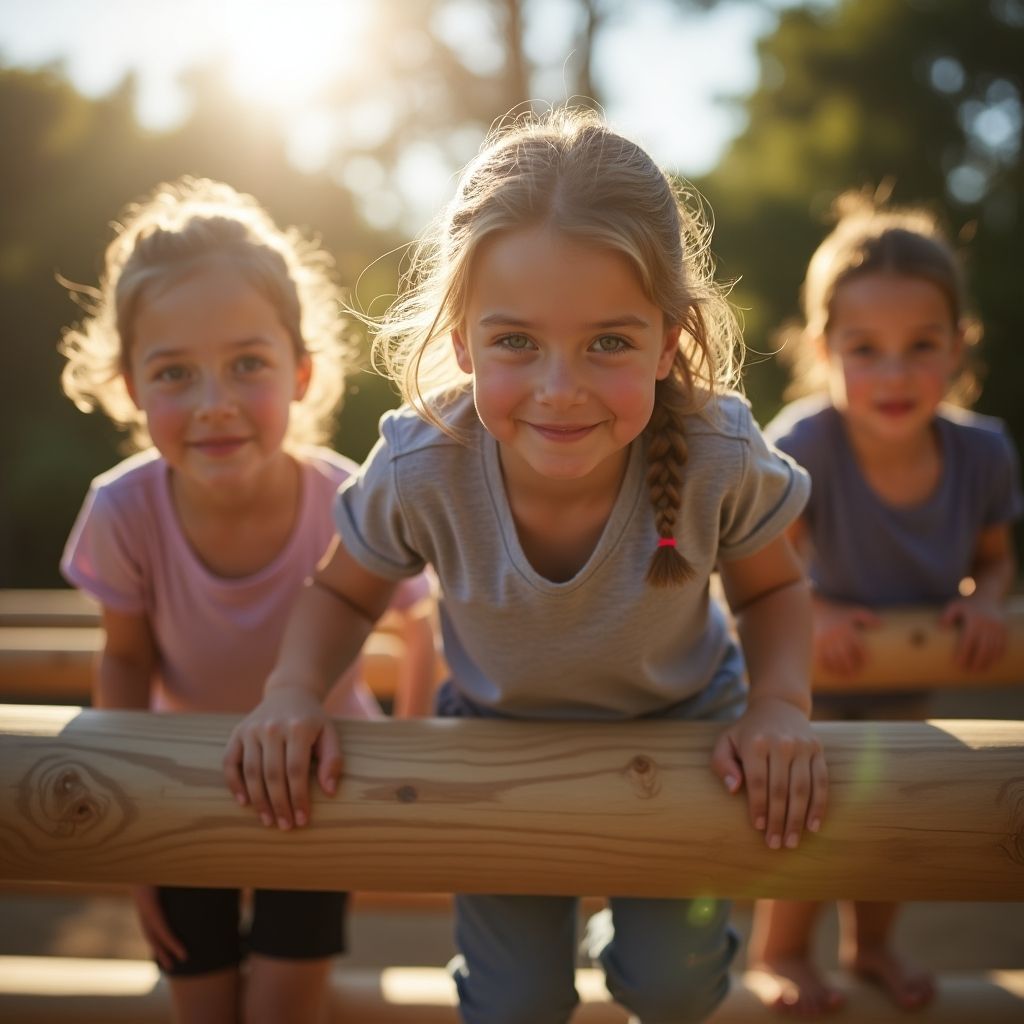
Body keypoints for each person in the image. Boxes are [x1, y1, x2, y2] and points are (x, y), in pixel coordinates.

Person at [224, 108, 828, 1024]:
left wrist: (778, 706)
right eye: (515, 342)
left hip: (687, 730)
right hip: (494, 741)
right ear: (462, 340)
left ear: (669, 341)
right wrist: (294, 692)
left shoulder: (713, 452)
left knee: (672, 988)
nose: (559, 386)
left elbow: (776, 591)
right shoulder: (426, 461)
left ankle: (630, 939)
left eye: (610, 343)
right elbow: (341, 594)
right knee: (515, 1006)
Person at [59, 176, 437, 1024]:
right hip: (181, 788)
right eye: (174, 373)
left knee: (280, 1011)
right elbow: (123, 657)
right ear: (130, 387)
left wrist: (410, 768)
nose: (214, 403)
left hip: (317, 790)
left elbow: (424, 622)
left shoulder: (349, 499)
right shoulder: (124, 512)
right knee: (201, 1007)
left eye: (247, 365)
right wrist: (132, 838)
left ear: (301, 373)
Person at [748, 192, 1022, 1015]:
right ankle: (784, 951)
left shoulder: (982, 452)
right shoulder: (805, 444)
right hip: (818, 673)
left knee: (897, 810)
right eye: (866, 349)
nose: (894, 373)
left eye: (920, 347)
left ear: (959, 347)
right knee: (814, 805)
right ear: (824, 350)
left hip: (908, 674)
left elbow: (994, 562)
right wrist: (820, 613)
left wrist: (986, 604)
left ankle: (873, 947)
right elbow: (765, 570)